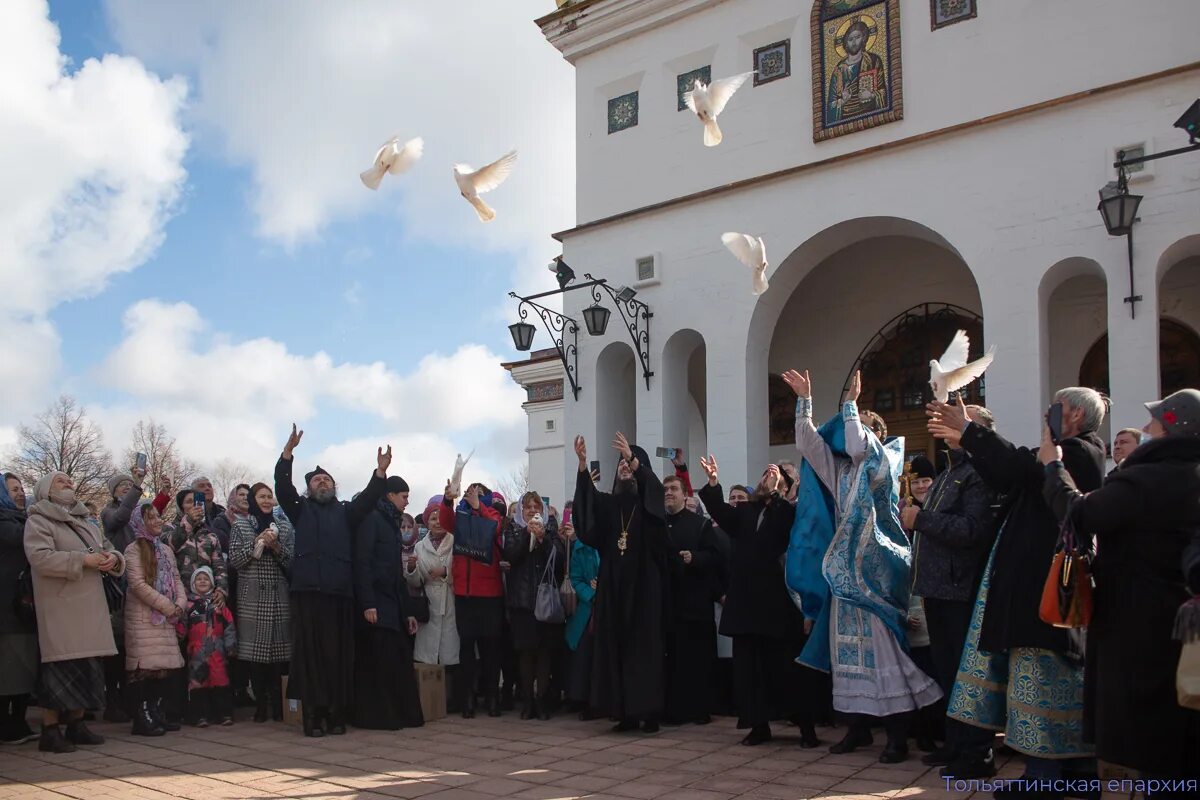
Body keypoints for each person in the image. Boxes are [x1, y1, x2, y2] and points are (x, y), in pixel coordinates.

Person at [928, 388, 1107, 784]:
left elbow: (1021, 468)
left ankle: (1044, 777)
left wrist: (973, 433)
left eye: (1055, 407)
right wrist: (967, 441)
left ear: (1074, 413)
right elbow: (1011, 472)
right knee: (1041, 678)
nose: (1047, 413)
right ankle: (1072, 771)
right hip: (1031, 591)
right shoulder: (1057, 452)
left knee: (1044, 680)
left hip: (1044, 594)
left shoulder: (1079, 452)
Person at [1040, 388, 1200, 789]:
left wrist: (1052, 469)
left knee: (1153, 739)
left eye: (1152, 422)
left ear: (1170, 427)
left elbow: (1080, 514)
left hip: (1141, 623)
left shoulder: (1149, 478)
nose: (1145, 429)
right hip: (1182, 619)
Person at [786, 369, 942, 764]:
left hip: (875, 573)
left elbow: (859, 444)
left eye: (865, 422)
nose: (852, 427)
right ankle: (857, 729)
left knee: (885, 653)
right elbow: (809, 444)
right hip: (844, 575)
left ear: (877, 433)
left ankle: (897, 737)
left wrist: (852, 404)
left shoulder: (884, 459)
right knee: (848, 657)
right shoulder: (840, 471)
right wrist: (805, 400)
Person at [274, 424, 392, 737]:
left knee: (338, 655)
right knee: (310, 656)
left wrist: (379, 473)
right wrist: (287, 455)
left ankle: (336, 714)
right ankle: (313, 716)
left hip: (339, 593)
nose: (322, 482)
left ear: (333, 485)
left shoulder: (346, 512)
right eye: (316, 480)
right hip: (308, 594)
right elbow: (283, 488)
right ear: (309, 488)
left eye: (326, 479)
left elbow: (367, 499)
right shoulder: (300, 510)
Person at [899, 407, 998, 769]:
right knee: (947, 670)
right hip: (937, 589)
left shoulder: (979, 474)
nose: (946, 421)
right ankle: (955, 743)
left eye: (960, 418)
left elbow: (971, 530)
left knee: (965, 671)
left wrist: (920, 519)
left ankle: (976, 751)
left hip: (960, 589)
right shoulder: (949, 472)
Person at [699, 460, 817, 746]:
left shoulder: (791, 511)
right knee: (749, 671)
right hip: (746, 604)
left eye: (775, 476)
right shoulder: (747, 511)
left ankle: (806, 728)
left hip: (777, 605)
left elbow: (780, 532)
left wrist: (778, 495)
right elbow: (720, 513)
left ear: (787, 487)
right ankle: (758, 725)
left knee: (787, 669)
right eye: (765, 474)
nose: (768, 478)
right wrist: (714, 482)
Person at [572, 433, 670, 734]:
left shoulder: (649, 504)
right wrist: (582, 466)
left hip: (643, 589)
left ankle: (649, 713)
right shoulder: (609, 505)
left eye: (629, 463)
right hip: (613, 589)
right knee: (617, 647)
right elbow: (587, 517)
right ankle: (624, 713)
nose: (624, 468)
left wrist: (634, 460)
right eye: (621, 464)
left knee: (644, 651)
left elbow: (654, 491)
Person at [24, 471, 126, 753]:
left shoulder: (86, 521)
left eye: (70, 480)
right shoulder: (39, 520)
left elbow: (108, 548)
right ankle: (50, 730)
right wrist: (83, 560)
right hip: (61, 606)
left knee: (87, 668)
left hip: (89, 607)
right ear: (46, 489)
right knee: (59, 667)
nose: (68, 482)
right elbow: (40, 557)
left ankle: (77, 725)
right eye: (60, 480)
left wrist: (112, 560)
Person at [352, 475, 424, 731]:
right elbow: (363, 563)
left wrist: (408, 612)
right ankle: (380, 717)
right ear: (390, 495)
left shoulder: (390, 523)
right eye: (403, 496)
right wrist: (368, 603)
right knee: (379, 664)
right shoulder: (372, 520)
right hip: (377, 603)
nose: (407, 502)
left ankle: (400, 715)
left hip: (393, 603)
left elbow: (396, 572)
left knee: (396, 662)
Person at [230, 483, 294, 725]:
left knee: (279, 657)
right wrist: (257, 541)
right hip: (253, 598)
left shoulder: (285, 526)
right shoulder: (241, 525)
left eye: (269, 496)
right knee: (256, 658)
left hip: (279, 597)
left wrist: (275, 546)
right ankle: (260, 705)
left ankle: (278, 704)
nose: (266, 501)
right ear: (253, 500)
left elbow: (290, 560)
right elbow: (235, 560)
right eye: (261, 497)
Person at [660, 475, 721, 727]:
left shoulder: (700, 525)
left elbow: (714, 557)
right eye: (665, 490)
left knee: (698, 660)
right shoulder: (659, 524)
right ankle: (673, 709)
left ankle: (700, 709)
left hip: (695, 604)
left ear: (685, 494)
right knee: (672, 660)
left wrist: (693, 558)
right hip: (668, 604)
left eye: (674, 489)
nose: (668, 493)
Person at [124, 501, 187, 737]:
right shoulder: (133, 549)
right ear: (140, 523)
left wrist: (180, 604)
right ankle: (142, 716)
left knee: (163, 669)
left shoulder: (165, 550)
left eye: (158, 516)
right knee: (145, 670)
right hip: (144, 617)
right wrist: (166, 606)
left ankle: (155, 711)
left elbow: (176, 579)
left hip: (166, 618)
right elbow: (138, 584)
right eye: (151, 518)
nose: (158, 521)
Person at [503, 492, 567, 720]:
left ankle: (541, 701)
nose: (531, 510)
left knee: (544, 653)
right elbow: (511, 555)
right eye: (527, 507)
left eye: (535, 506)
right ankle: (527, 701)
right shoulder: (513, 529)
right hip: (522, 602)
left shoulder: (549, 528)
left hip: (545, 603)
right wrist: (526, 535)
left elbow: (559, 559)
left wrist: (543, 539)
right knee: (526, 654)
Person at [449, 483, 506, 718]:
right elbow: (444, 522)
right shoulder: (460, 516)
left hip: (489, 594)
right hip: (464, 593)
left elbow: (495, 527)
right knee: (466, 649)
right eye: (470, 493)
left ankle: (493, 697)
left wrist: (479, 507)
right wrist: (446, 500)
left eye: (478, 493)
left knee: (490, 649)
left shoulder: (491, 513)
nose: (472, 496)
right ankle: (468, 698)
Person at [99, 468, 150, 723]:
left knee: (135, 644)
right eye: (123, 486)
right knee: (118, 644)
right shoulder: (109, 511)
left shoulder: (137, 516)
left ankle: (133, 701)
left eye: (130, 486)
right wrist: (137, 487)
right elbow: (118, 519)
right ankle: (113, 700)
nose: (127, 489)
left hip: (140, 581)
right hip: (120, 584)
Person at [0, 476, 37, 745]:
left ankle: (19, 722)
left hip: (26, 607)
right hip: (7, 608)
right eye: (14, 490)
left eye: (22, 489)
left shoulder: (25, 521)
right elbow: (23, 539)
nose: (21, 494)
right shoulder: (5, 522)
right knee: (9, 668)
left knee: (24, 667)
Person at [176, 566, 236, 727]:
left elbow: (229, 626)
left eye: (206, 579)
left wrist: (231, 646)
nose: (202, 581)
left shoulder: (219, 604)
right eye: (198, 579)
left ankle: (224, 714)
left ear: (212, 583)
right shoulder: (189, 606)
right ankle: (199, 716)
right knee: (197, 683)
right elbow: (182, 625)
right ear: (193, 583)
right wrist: (178, 636)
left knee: (220, 680)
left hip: (217, 650)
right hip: (196, 651)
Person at [405, 497, 460, 672]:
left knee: (451, 659)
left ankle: (450, 697)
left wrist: (445, 571)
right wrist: (412, 568)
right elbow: (416, 582)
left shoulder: (456, 542)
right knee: (427, 661)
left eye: (441, 518)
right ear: (427, 522)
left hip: (451, 601)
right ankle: (431, 697)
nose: (438, 522)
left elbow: (462, 571)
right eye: (433, 519)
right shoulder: (420, 547)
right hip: (428, 605)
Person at [166, 490, 229, 608]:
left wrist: (221, 590)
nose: (194, 505)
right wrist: (189, 521)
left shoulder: (210, 535)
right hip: (178, 599)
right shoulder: (169, 528)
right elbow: (171, 544)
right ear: (181, 507)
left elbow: (220, 567)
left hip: (205, 600)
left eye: (197, 502)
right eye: (189, 502)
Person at [565, 529, 600, 719]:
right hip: (587, 609)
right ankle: (582, 699)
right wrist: (592, 593)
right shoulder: (580, 548)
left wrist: (604, 585)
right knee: (584, 655)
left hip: (610, 608)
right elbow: (576, 578)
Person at [826, 17, 887, 123]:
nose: (854, 42)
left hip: (870, 114)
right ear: (845, 43)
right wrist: (842, 101)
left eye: (857, 37)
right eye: (850, 39)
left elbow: (884, 92)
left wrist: (872, 95)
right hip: (845, 118)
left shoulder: (873, 61)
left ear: (864, 38)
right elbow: (830, 106)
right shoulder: (838, 70)